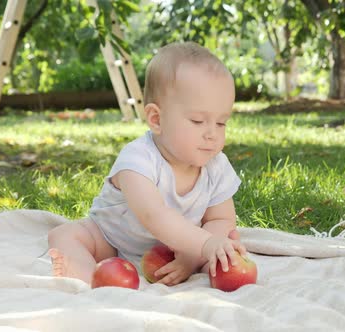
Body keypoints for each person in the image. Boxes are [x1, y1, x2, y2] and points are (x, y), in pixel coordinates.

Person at [48, 41, 247, 286]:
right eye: (197, 121)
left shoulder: (216, 165)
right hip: (112, 240)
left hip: (178, 246)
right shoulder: (137, 160)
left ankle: (201, 262)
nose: (212, 134)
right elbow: (154, 216)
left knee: (226, 249)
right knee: (68, 235)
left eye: (221, 123)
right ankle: (90, 283)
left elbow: (221, 220)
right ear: (156, 119)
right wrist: (205, 243)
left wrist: (197, 253)